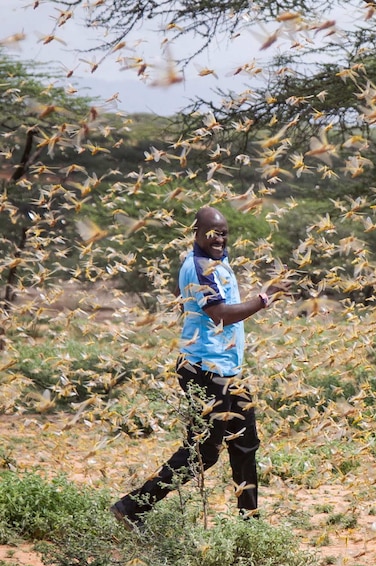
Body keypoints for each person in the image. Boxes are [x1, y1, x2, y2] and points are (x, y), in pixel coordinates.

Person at [110, 206, 286, 530]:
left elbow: (184, 297)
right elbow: (219, 313)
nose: (219, 238)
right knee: (204, 452)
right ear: (197, 232)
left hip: (228, 370)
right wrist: (263, 299)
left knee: (246, 443)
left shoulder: (214, 261)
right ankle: (132, 507)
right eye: (213, 232)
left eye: (224, 233)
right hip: (204, 371)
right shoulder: (199, 266)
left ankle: (250, 524)